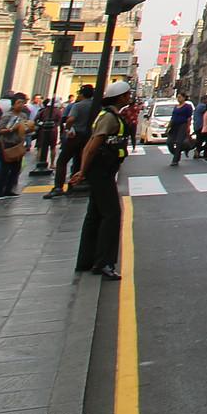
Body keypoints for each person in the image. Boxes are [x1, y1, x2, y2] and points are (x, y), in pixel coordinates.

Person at [69, 82, 130, 281]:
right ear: (120, 97)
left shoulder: (109, 116)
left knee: (94, 215)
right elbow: (92, 146)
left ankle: (87, 260)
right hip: (101, 171)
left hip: (103, 170)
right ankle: (104, 263)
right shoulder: (109, 118)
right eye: (127, 95)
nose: (129, 97)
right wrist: (82, 171)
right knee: (112, 214)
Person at [0, 95, 32, 198]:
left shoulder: (23, 116)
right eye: (18, 103)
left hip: (18, 144)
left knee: (16, 168)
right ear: (13, 104)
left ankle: (9, 189)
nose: (21, 105)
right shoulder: (7, 116)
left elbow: (25, 129)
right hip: (7, 144)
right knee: (5, 168)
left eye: (22, 103)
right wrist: (11, 129)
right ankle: (0, 191)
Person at [166, 95, 194, 167]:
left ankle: (175, 160)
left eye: (180, 97)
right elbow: (173, 117)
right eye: (178, 97)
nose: (178, 99)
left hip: (182, 125)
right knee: (169, 142)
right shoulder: (176, 107)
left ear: (184, 98)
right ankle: (178, 153)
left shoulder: (187, 106)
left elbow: (189, 117)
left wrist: (188, 127)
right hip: (174, 125)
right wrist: (168, 127)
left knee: (179, 142)